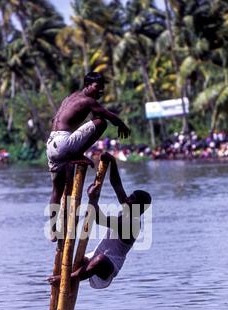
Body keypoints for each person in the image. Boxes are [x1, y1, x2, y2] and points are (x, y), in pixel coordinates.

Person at [46, 72, 131, 241]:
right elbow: (108, 117)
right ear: (87, 85)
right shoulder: (88, 101)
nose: (100, 91)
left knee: (58, 189)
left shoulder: (70, 98)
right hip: (64, 143)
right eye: (97, 87)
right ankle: (77, 154)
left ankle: (54, 230)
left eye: (102, 88)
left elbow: (93, 114)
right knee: (101, 124)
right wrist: (122, 125)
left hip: (51, 144)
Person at [48, 152, 151, 289]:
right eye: (129, 196)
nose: (127, 199)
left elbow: (99, 219)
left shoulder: (131, 223)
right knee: (70, 259)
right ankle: (70, 276)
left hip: (106, 269)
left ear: (139, 208)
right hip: (92, 259)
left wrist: (92, 198)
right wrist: (112, 162)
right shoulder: (128, 209)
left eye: (131, 199)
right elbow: (116, 184)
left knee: (100, 260)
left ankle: (69, 279)